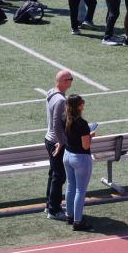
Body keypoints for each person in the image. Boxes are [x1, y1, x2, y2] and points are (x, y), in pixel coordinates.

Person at [60, 94, 96, 231]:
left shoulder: (64, 118)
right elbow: (86, 146)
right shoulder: (82, 123)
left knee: (70, 187)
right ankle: (78, 221)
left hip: (67, 155)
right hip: (80, 158)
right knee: (80, 190)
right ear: (79, 106)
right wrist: (90, 135)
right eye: (82, 102)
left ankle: (69, 216)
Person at [43, 69, 74, 221]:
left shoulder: (51, 92)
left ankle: (49, 204)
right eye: (70, 79)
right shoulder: (61, 100)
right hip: (56, 142)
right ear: (63, 82)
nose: (71, 81)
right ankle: (54, 210)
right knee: (59, 176)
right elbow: (56, 124)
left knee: (53, 174)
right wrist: (61, 143)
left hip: (49, 139)